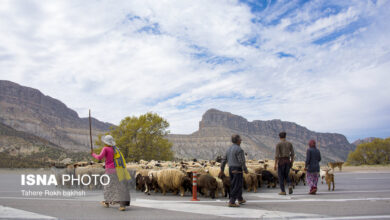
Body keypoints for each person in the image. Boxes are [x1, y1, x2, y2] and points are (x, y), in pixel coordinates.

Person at [91, 135, 131, 211]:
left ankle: (106, 202)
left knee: (108, 186)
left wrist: (93, 154)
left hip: (109, 170)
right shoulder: (115, 148)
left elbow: (99, 157)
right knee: (118, 186)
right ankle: (122, 205)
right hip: (118, 169)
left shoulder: (105, 148)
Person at [219, 134, 248, 207]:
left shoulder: (228, 149)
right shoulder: (239, 149)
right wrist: (245, 169)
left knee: (236, 184)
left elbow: (223, 160)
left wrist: (222, 170)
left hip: (230, 169)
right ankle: (232, 201)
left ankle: (240, 199)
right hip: (237, 169)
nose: (241, 140)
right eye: (240, 139)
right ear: (238, 140)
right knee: (237, 185)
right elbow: (242, 161)